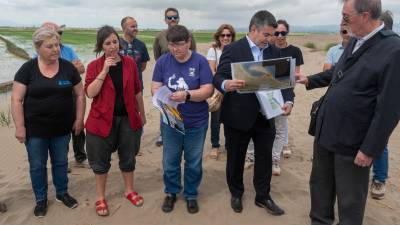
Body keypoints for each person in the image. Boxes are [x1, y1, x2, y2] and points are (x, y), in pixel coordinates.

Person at [296, 0, 400, 224]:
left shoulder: (393, 50)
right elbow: (338, 73)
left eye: (346, 16)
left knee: (350, 204)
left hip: (353, 145)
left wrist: (369, 149)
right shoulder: (355, 40)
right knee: (320, 192)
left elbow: (390, 108)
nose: (342, 21)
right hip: (326, 134)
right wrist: (309, 80)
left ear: (365, 15)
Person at [213, 10, 294, 215]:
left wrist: (289, 100)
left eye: (273, 35)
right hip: (238, 115)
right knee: (236, 158)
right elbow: (218, 76)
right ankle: (236, 193)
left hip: (266, 116)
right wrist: (226, 83)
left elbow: (284, 82)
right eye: (266, 35)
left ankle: (263, 196)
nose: (270, 39)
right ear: (253, 30)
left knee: (265, 158)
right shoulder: (233, 49)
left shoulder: (274, 51)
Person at [11, 27, 84, 217]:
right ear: (38, 48)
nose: (56, 50)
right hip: (35, 131)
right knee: (37, 166)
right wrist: (20, 127)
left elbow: (80, 94)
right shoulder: (27, 69)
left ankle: (62, 193)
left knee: (60, 162)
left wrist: (78, 119)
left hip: (62, 129)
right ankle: (41, 200)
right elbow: (16, 100)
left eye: (57, 45)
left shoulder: (68, 68)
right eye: (50, 46)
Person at [85, 25, 146, 216]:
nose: (113, 46)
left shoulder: (129, 63)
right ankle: (101, 197)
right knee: (100, 161)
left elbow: (137, 91)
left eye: (115, 41)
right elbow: (89, 93)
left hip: (127, 118)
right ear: (101, 46)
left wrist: (141, 114)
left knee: (128, 157)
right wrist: (104, 71)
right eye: (107, 43)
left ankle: (129, 190)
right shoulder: (94, 66)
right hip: (101, 120)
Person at [152, 25, 213, 214]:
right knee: (170, 160)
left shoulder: (200, 61)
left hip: (196, 120)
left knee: (193, 161)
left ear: (188, 42)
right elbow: (155, 86)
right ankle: (171, 192)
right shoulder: (163, 61)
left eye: (180, 45)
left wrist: (186, 95)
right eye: (172, 45)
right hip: (171, 121)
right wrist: (162, 96)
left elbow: (207, 90)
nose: (176, 49)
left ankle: (191, 194)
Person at [40, 22, 87, 164]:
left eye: (60, 33)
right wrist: (70, 68)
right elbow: (41, 71)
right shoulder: (38, 52)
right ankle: (62, 161)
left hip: (72, 93)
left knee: (78, 126)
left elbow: (82, 69)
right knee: (60, 130)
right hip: (51, 96)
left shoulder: (68, 49)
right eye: (56, 33)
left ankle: (81, 157)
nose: (59, 36)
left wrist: (66, 69)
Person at [153, 7, 197, 147]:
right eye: (169, 17)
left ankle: (184, 130)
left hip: (185, 77)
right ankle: (163, 133)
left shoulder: (188, 34)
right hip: (167, 77)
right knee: (165, 104)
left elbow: (192, 55)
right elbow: (157, 56)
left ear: (178, 18)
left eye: (174, 17)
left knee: (184, 104)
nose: (172, 19)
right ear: (165, 20)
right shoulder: (160, 37)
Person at [270, 19, 303, 175]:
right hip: (268, 93)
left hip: (284, 93)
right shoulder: (268, 50)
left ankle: (275, 160)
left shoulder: (295, 51)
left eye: (283, 32)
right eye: (277, 33)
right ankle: (254, 156)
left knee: (280, 128)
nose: (280, 36)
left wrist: (288, 95)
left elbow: (295, 76)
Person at [370, 9, 394, 200]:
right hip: (363, 110)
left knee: (380, 143)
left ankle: (379, 178)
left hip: (381, 111)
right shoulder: (368, 49)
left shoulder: (393, 51)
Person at [206, 24, 236, 160]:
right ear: (218, 36)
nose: (225, 37)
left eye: (228, 35)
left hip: (234, 89)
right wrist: (219, 85)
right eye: (222, 35)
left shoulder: (237, 49)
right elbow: (211, 69)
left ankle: (230, 145)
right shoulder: (213, 50)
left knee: (231, 119)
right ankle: (215, 145)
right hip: (218, 88)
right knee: (216, 119)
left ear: (232, 36)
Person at [119, 16, 150, 90]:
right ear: (124, 28)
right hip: (120, 86)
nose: (135, 29)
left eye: (136, 26)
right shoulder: (116, 44)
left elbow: (143, 66)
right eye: (132, 26)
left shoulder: (141, 45)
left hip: (137, 86)